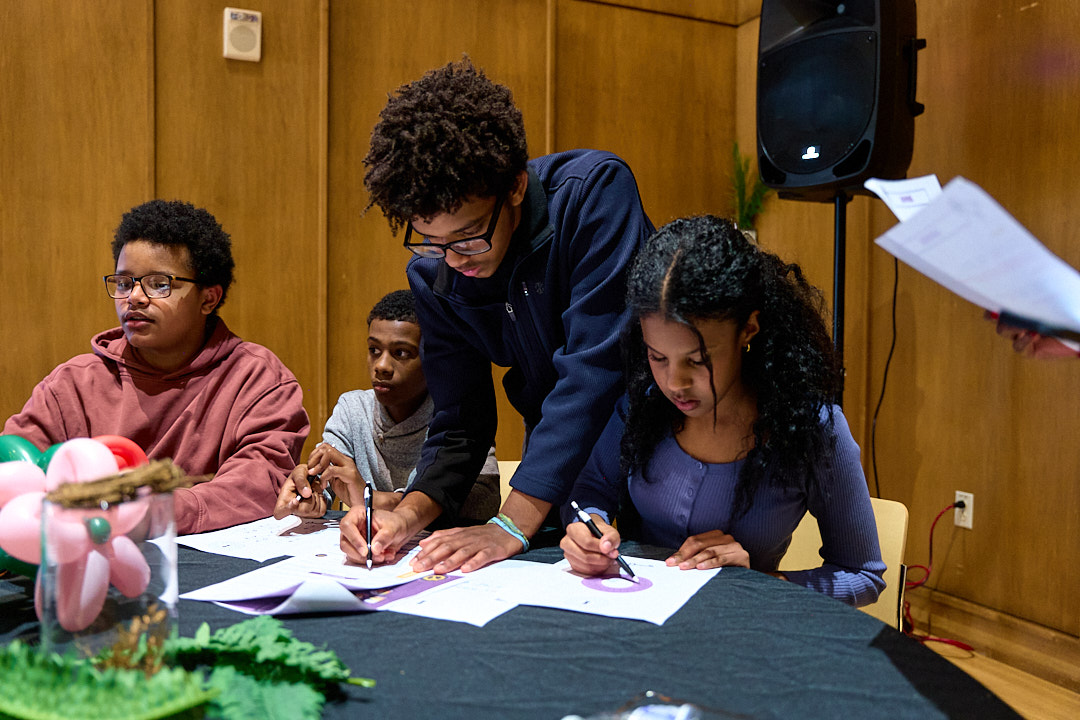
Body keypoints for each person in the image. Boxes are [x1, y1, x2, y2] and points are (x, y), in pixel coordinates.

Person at [340, 57, 653, 572]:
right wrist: (407, 515)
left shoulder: (592, 195)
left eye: (468, 235)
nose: (454, 259)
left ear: (514, 187)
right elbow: (461, 419)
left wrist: (510, 523)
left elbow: (595, 368)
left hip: (651, 455)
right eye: (432, 242)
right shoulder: (434, 275)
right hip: (556, 478)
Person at [559, 215, 886, 607]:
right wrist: (588, 527)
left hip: (742, 637)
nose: (674, 382)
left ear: (748, 329)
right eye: (658, 357)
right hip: (636, 617)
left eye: (697, 360)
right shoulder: (645, 403)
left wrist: (758, 581)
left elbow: (862, 576)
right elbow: (591, 490)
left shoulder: (813, 428)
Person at [3, 199, 309, 535]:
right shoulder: (74, 384)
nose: (134, 297)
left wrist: (159, 512)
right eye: (124, 282)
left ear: (208, 298)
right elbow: (16, 470)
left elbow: (261, 479)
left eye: (158, 283)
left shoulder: (257, 378)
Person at [273, 289, 500, 521]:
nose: (381, 365)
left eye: (401, 353)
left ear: (432, 358)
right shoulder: (353, 409)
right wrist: (311, 495)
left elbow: (485, 499)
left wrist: (382, 500)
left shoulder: (456, 414)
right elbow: (328, 483)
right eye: (374, 350)